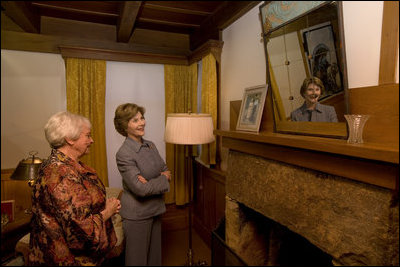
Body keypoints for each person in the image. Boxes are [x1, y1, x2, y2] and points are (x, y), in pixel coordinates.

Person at [28, 111, 121, 266]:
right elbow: (82, 229)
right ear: (70, 139)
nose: (91, 140)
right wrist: (108, 211)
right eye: (87, 135)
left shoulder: (62, 165)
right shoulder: (61, 174)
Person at [113, 103, 171, 266]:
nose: (142, 123)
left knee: (154, 259)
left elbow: (166, 169)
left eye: (142, 118)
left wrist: (154, 179)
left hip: (155, 209)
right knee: (137, 261)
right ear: (125, 126)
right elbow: (140, 189)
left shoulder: (150, 145)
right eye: (135, 120)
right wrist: (162, 178)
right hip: (136, 215)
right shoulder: (124, 154)